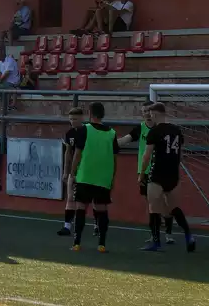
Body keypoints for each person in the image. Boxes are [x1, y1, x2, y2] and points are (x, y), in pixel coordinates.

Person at [140, 103, 195, 252]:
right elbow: (180, 154)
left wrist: (141, 174)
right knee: (174, 207)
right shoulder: (176, 130)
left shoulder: (154, 131)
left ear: (156, 114)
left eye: (151, 114)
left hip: (158, 172)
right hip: (173, 173)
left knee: (154, 207)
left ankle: (156, 242)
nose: (149, 116)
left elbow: (146, 156)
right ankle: (189, 235)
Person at [120, 101, 174, 244]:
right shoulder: (140, 129)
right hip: (144, 171)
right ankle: (154, 234)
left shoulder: (161, 129)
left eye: (149, 110)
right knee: (151, 203)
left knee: (164, 203)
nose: (146, 113)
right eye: (144, 111)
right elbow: (125, 140)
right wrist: (108, 141)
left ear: (153, 113)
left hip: (160, 171)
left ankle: (168, 233)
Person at [71, 101, 119, 252]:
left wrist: (72, 173)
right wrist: (112, 178)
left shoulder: (84, 129)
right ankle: (102, 244)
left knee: (80, 207)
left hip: (85, 175)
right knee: (101, 209)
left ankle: (77, 242)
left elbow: (77, 154)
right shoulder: (112, 133)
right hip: (103, 178)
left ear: (90, 114)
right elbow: (115, 159)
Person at [57, 107, 86, 236]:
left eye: (75, 119)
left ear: (82, 118)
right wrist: (66, 171)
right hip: (74, 170)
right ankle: (67, 226)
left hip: (86, 169)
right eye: (70, 119)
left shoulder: (87, 131)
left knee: (88, 200)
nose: (72, 121)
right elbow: (68, 152)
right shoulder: (69, 133)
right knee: (70, 197)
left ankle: (96, 225)